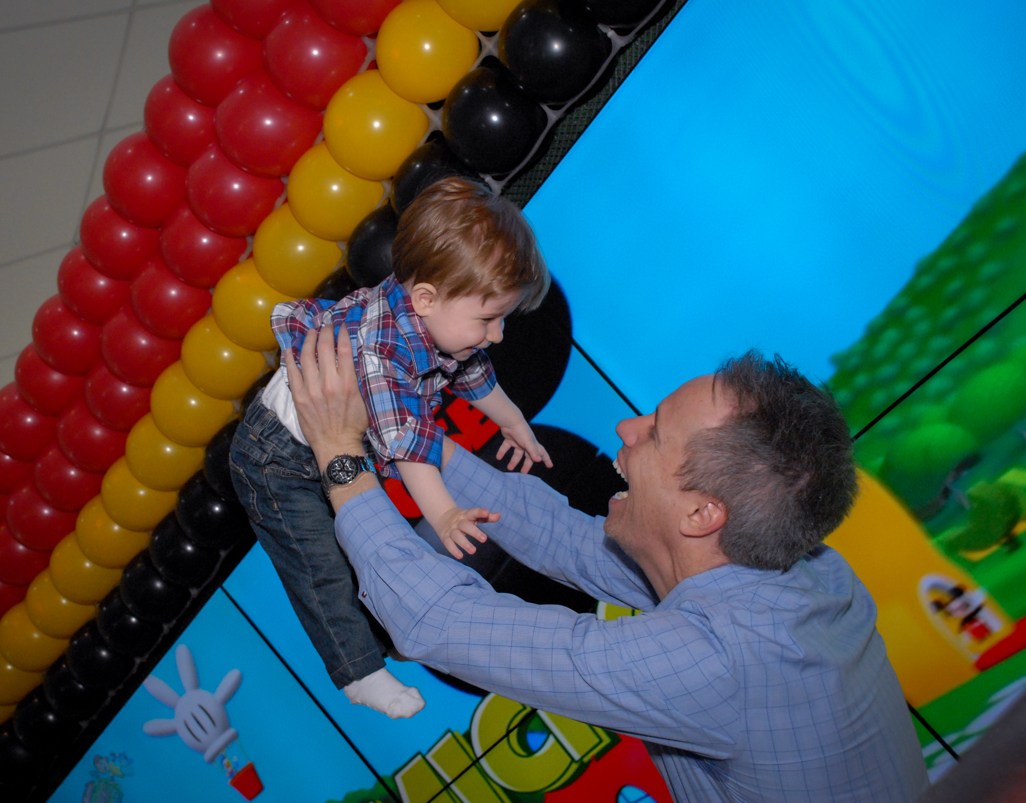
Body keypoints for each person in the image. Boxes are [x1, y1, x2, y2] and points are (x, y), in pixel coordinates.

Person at [283, 324, 930, 802]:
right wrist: (407, 433)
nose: (625, 427)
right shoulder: (790, 565)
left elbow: (440, 622)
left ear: (702, 514)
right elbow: (564, 538)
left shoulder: (719, 659)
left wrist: (339, 452)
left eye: (654, 433)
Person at [229, 178, 552, 719]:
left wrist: (513, 420)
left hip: (331, 446)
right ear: (425, 298)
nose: (497, 335)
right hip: (276, 459)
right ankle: (358, 673)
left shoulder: (433, 321)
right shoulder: (383, 351)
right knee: (318, 566)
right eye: (488, 318)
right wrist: (444, 514)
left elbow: (473, 372)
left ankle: (386, 636)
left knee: (369, 549)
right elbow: (405, 443)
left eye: (503, 319)